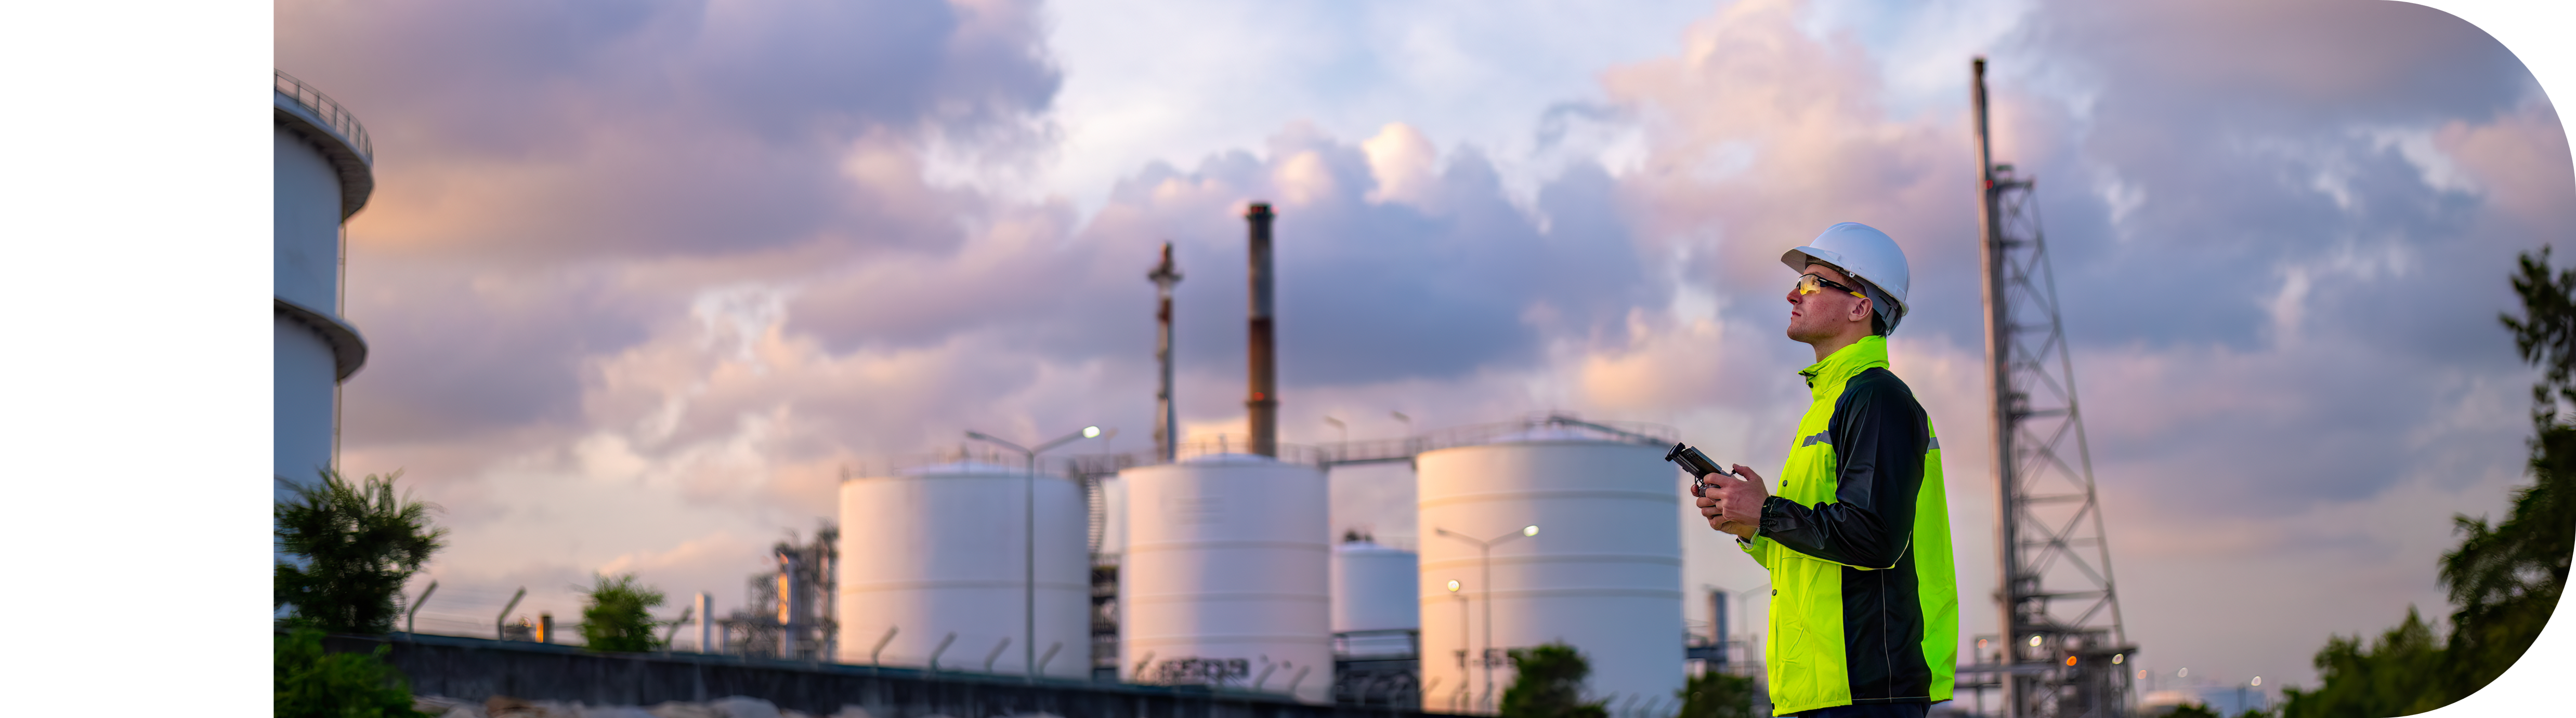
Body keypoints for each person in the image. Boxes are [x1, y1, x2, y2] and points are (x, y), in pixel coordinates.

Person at [1696, 222, 1957, 717]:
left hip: (1863, 687)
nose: (1793, 292)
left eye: (1814, 282)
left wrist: (1767, 511)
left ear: (1861, 307)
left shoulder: (1876, 397)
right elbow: (1817, 559)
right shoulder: (1832, 404)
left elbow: (1874, 537)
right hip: (1822, 688)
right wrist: (1752, 527)